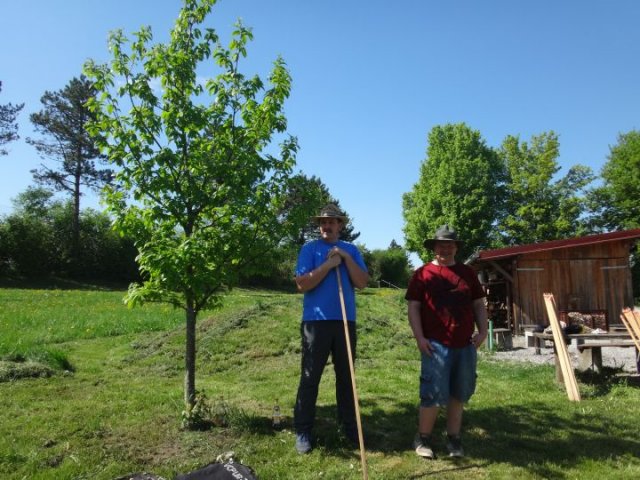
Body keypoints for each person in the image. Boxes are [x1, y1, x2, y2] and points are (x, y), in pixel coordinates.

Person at [405, 224, 488, 459]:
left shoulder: (467, 273)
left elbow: (478, 304)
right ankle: (423, 439)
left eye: (449, 244)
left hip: (465, 345)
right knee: (432, 393)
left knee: (459, 394)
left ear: (456, 247)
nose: (445, 248)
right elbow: (414, 307)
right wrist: (419, 337)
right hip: (435, 344)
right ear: (434, 247)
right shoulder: (422, 274)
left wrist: (482, 332)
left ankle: (453, 439)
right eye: (441, 244)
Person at [293, 204, 369, 454]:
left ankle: (349, 429)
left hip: (345, 322)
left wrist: (345, 259)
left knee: (347, 379)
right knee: (310, 377)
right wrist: (328, 265)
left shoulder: (351, 250)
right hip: (316, 322)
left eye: (332, 222)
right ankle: (303, 430)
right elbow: (302, 284)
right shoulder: (310, 249)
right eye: (323, 222)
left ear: (340, 225)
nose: (327, 226)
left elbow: (361, 283)